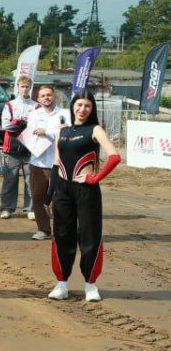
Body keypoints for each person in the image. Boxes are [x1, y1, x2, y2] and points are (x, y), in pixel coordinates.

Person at [47, 91, 120, 302]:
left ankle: (90, 285)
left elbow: (114, 157)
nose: (82, 109)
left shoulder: (95, 129)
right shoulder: (62, 131)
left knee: (90, 236)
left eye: (87, 106)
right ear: (72, 107)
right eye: (79, 105)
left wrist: (95, 178)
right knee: (62, 235)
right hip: (62, 190)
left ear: (92, 108)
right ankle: (61, 283)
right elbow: (55, 164)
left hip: (86, 191)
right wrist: (49, 196)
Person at [27, 84, 70, 241]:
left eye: (49, 95)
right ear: (38, 99)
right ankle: (44, 230)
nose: (46, 98)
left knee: (60, 199)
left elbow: (68, 132)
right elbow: (30, 133)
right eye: (43, 95)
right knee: (38, 198)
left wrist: (47, 132)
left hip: (60, 162)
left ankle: (61, 230)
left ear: (54, 96)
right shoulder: (34, 114)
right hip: (38, 162)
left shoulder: (64, 114)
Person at [0, 75, 36, 219]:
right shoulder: (9, 104)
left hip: (29, 148)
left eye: (27, 87)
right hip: (12, 147)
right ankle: (7, 208)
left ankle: (30, 209)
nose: (24, 89)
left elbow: (37, 124)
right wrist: (18, 123)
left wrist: (27, 125)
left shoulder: (36, 105)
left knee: (30, 180)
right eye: (22, 86)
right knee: (10, 178)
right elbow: (5, 124)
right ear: (18, 87)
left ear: (30, 88)